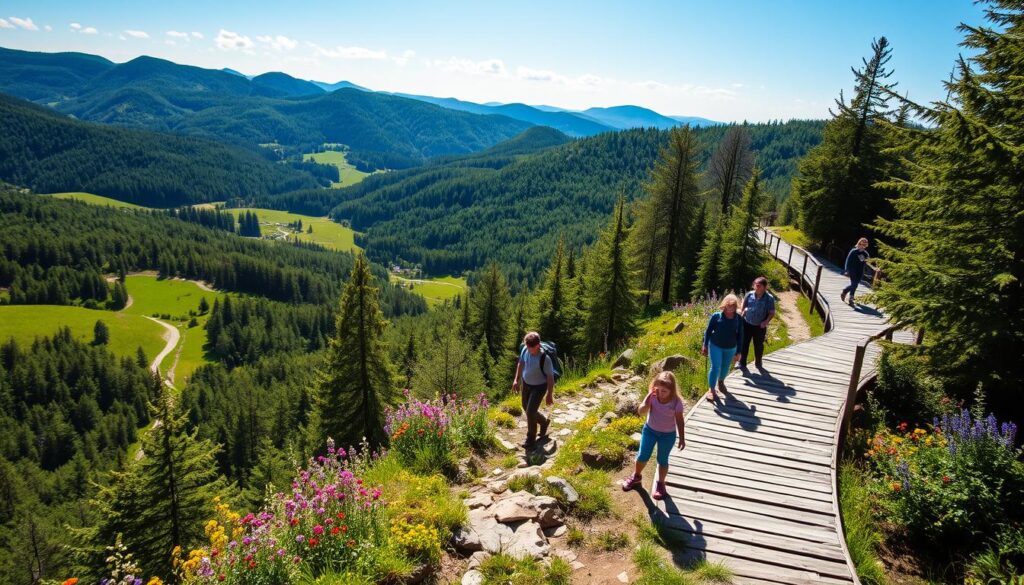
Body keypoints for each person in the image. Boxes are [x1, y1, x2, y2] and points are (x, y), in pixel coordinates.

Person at [620, 371, 686, 500]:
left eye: (664, 391)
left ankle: (661, 483)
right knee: (642, 455)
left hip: (668, 435)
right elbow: (641, 412)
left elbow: (679, 420)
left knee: (662, 459)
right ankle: (636, 476)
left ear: (672, 391)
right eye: (658, 389)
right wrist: (647, 402)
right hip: (650, 430)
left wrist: (682, 437)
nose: (660, 394)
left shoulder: (676, 402)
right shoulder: (653, 396)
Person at [511, 331, 553, 449]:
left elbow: (550, 377)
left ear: (538, 345)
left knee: (530, 412)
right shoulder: (525, 349)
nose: (529, 350)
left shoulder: (545, 358)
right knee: (526, 407)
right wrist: (516, 380)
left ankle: (531, 439)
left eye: (531, 348)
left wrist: (549, 394)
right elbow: (521, 362)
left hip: (539, 387)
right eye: (527, 347)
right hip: (526, 384)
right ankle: (544, 422)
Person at [701, 293, 744, 401]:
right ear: (724, 305)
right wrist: (705, 345)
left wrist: (739, 351)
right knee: (715, 367)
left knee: (725, 368)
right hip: (715, 345)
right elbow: (708, 331)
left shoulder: (738, 318)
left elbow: (740, 335)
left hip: (731, 348)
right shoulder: (717, 316)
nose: (730, 308)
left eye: (733, 306)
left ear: (736, 306)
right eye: (728, 305)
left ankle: (721, 382)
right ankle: (711, 390)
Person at [738, 276, 775, 370]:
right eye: (755, 285)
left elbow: (771, 312)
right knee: (744, 344)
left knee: (758, 345)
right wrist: (743, 312)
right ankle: (742, 363)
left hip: (760, 326)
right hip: (747, 323)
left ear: (765, 287)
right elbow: (744, 305)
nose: (756, 287)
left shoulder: (769, 298)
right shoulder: (749, 295)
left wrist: (766, 321)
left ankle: (758, 362)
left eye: (759, 285)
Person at [841, 237, 870, 305]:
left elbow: (868, 262)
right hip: (852, 269)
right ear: (859, 243)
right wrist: (846, 270)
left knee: (855, 284)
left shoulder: (866, 254)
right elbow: (848, 261)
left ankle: (845, 291)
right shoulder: (853, 251)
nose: (863, 246)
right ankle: (851, 298)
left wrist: (874, 268)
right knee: (854, 283)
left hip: (860, 271)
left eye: (864, 245)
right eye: (861, 244)